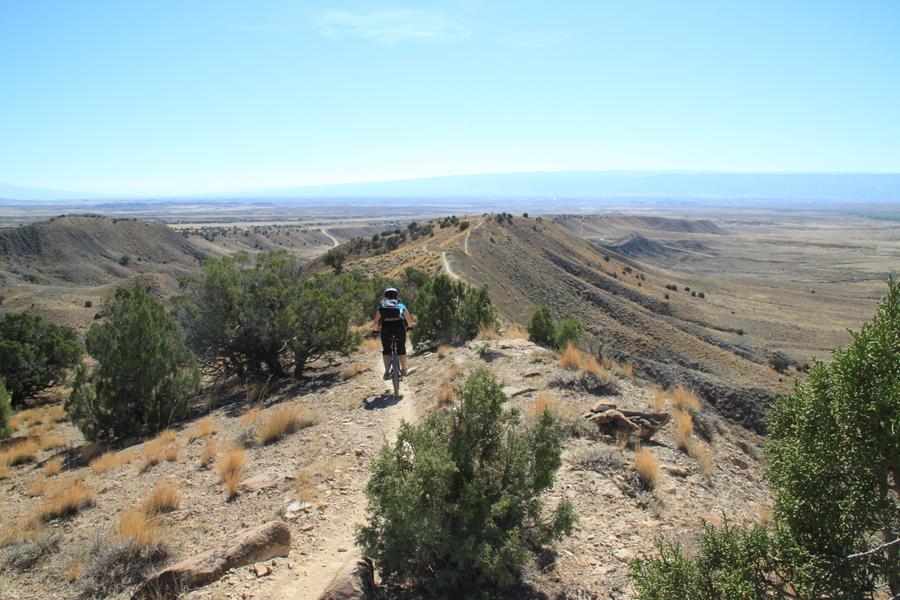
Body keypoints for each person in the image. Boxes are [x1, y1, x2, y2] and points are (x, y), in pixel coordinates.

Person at [373, 287, 414, 380]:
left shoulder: (382, 304)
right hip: (399, 326)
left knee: (386, 350)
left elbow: (376, 321)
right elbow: (408, 318)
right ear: (396, 295)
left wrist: (375, 330)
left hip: (386, 327)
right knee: (401, 348)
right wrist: (410, 327)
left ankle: (387, 372)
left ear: (385, 295)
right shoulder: (400, 304)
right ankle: (404, 369)